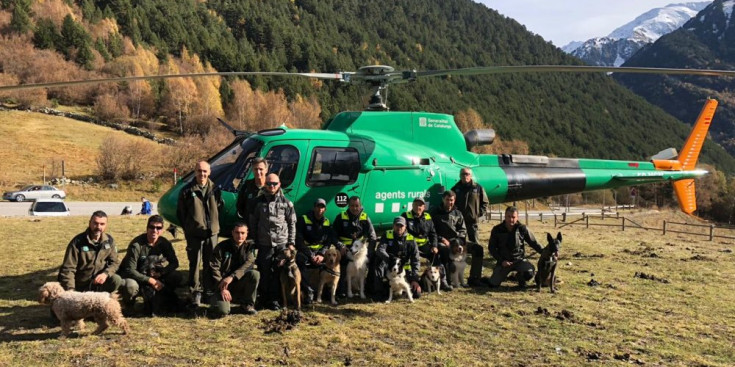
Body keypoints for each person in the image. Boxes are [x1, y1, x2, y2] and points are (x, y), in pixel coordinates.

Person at [176, 161, 222, 308]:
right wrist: (190, 227)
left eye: (204, 171)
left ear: (209, 172)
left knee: (210, 263)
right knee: (194, 263)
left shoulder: (216, 189)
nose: (202, 174)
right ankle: (194, 292)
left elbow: (219, 207)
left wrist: (213, 225)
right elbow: (181, 214)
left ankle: (208, 290)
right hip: (193, 233)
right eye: (199, 171)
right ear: (195, 172)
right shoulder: (186, 191)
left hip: (212, 233)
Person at [119, 215, 182, 316]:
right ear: (147, 228)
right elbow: (129, 270)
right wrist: (150, 280)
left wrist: (161, 273)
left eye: (158, 228)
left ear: (162, 230)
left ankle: (163, 299)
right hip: (136, 275)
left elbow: (175, 263)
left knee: (176, 276)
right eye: (152, 227)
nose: (154, 230)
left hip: (154, 274)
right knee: (131, 285)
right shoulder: (136, 245)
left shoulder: (164, 243)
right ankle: (129, 305)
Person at [250, 173, 296, 310]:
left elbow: (292, 223)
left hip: (281, 244)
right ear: (265, 184)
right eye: (269, 184)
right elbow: (253, 223)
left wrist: (291, 242)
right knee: (264, 272)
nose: (272, 186)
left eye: (274, 184)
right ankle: (263, 298)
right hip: (264, 244)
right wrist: (255, 240)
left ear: (279, 184)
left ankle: (275, 300)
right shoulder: (257, 203)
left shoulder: (287, 203)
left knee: (278, 273)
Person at [57, 210, 123, 293]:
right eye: (95, 223)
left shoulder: (109, 241)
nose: (98, 227)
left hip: (99, 283)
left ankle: (103, 297)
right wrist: (71, 290)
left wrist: (105, 274)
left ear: (106, 225)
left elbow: (115, 262)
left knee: (116, 279)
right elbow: (68, 268)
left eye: (102, 224)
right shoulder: (77, 242)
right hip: (80, 284)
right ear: (89, 223)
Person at [209, 222, 260, 317]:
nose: (239, 235)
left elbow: (248, 264)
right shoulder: (221, 247)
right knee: (222, 311)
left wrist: (232, 277)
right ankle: (216, 301)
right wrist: (222, 288)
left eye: (242, 233)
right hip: (222, 285)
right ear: (232, 233)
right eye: (237, 232)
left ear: (247, 234)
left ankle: (247, 304)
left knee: (254, 274)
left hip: (238, 283)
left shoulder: (249, 247)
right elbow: (214, 268)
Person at [402, 197, 452, 291]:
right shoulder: (406, 216)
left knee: (437, 257)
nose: (418, 207)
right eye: (416, 205)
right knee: (408, 260)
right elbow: (403, 233)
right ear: (412, 205)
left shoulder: (428, 217)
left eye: (420, 205)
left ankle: (443, 281)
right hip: (411, 245)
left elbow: (433, 233)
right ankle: (411, 280)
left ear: (424, 207)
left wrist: (434, 246)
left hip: (424, 245)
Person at [487, 206, 544, 288]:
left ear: (517, 217)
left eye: (513, 217)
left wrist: (547, 252)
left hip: (519, 260)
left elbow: (534, 243)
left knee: (529, 272)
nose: (511, 219)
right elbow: (491, 248)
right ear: (505, 216)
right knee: (493, 284)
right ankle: (503, 275)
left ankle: (520, 276)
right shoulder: (497, 229)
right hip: (504, 262)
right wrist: (502, 261)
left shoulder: (522, 229)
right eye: (508, 217)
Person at [295, 198, 338, 304]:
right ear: (314, 207)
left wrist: (321, 254)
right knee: (299, 261)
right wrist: (311, 255)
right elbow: (299, 241)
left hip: (320, 253)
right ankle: (308, 291)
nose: (320, 209)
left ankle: (328, 292)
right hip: (306, 251)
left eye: (322, 207)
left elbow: (328, 242)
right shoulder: (303, 219)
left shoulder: (327, 222)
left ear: (325, 209)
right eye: (318, 207)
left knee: (332, 262)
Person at [451, 167, 489, 286]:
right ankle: (456, 275)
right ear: (460, 175)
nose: (465, 176)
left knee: (476, 248)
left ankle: (475, 275)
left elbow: (485, 203)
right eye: (462, 174)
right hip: (459, 224)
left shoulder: (478, 188)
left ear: (471, 175)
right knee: (459, 248)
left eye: (467, 174)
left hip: (472, 223)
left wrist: (477, 215)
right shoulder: (455, 188)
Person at [333, 196, 377, 295]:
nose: (355, 208)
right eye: (352, 206)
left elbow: (373, 237)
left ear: (360, 206)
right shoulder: (341, 217)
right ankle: (341, 290)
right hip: (345, 249)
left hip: (359, 250)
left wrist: (369, 253)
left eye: (357, 206)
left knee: (374, 260)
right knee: (342, 263)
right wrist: (340, 246)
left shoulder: (365, 217)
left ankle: (370, 288)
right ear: (348, 206)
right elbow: (333, 235)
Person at [375, 217, 421, 300]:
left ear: (405, 227)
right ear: (393, 226)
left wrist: (415, 279)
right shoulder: (387, 234)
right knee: (377, 261)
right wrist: (391, 260)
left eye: (401, 226)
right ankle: (379, 289)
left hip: (405, 271)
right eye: (397, 225)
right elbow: (380, 250)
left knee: (417, 293)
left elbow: (416, 259)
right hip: (390, 269)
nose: (399, 228)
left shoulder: (411, 239)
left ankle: (404, 289)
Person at [431, 190, 468, 287]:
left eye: (451, 200)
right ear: (443, 199)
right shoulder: (435, 212)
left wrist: (459, 241)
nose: (449, 202)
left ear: (454, 200)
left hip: (457, 241)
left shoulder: (457, 213)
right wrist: (441, 238)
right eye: (447, 200)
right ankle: (447, 280)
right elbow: (432, 231)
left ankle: (475, 278)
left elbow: (463, 229)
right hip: (442, 241)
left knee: (478, 249)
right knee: (445, 250)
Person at [236, 157, 268, 230]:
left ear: (266, 170)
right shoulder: (247, 186)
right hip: (249, 227)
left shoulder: (272, 186)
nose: (258, 172)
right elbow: (240, 206)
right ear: (252, 170)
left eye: (261, 169)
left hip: (266, 229)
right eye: (256, 169)